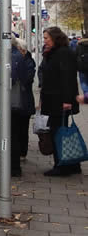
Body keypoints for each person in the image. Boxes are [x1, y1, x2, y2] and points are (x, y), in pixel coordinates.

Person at [39, 26, 81, 176]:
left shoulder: (63, 53)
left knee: (58, 133)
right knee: (61, 131)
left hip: (59, 100)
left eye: (46, 38)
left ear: (55, 38)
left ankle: (61, 166)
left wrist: (67, 100)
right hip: (54, 99)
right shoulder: (55, 52)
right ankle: (72, 164)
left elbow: (67, 78)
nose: (45, 41)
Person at [0, 38, 31, 176]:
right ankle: (11, 165)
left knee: (10, 135)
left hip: (12, 103)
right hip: (16, 102)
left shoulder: (12, 56)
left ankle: (12, 167)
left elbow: (10, 78)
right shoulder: (16, 55)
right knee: (12, 134)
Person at [14, 37, 36, 158]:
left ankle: (22, 152)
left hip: (24, 100)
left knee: (22, 127)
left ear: (22, 50)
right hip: (17, 100)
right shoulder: (18, 60)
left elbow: (27, 79)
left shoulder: (28, 62)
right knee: (15, 127)